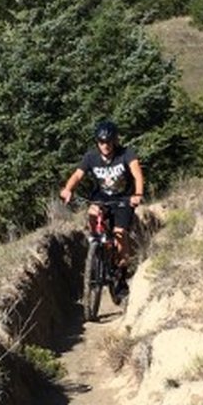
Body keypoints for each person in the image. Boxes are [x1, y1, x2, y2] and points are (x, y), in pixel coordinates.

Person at [60, 120, 144, 299]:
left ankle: (121, 275)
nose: (105, 146)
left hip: (123, 199)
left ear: (115, 140)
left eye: (108, 141)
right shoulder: (91, 157)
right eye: (101, 142)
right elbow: (77, 175)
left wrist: (137, 194)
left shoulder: (126, 154)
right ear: (97, 142)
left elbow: (137, 173)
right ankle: (97, 246)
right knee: (93, 212)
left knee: (120, 233)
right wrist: (68, 189)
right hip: (102, 198)